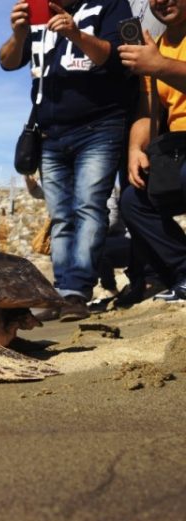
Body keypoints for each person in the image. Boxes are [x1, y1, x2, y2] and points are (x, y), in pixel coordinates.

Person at [0, 0, 135, 321]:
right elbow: (6, 61)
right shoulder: (38, 16)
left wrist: (75, 33)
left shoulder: (109, 5)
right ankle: (61, 291)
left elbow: (116, 57)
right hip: (49, 133)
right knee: (60, 217)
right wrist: (19, 34)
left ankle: (77, 291)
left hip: (99, 126)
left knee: (89, 206)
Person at [118, 0, 186, 303]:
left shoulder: (156, 58)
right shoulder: (155, 47)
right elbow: (148, 109)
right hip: (178, 146)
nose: (161, 1)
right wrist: (135, 148)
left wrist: (161, 66)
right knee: (134, 199)